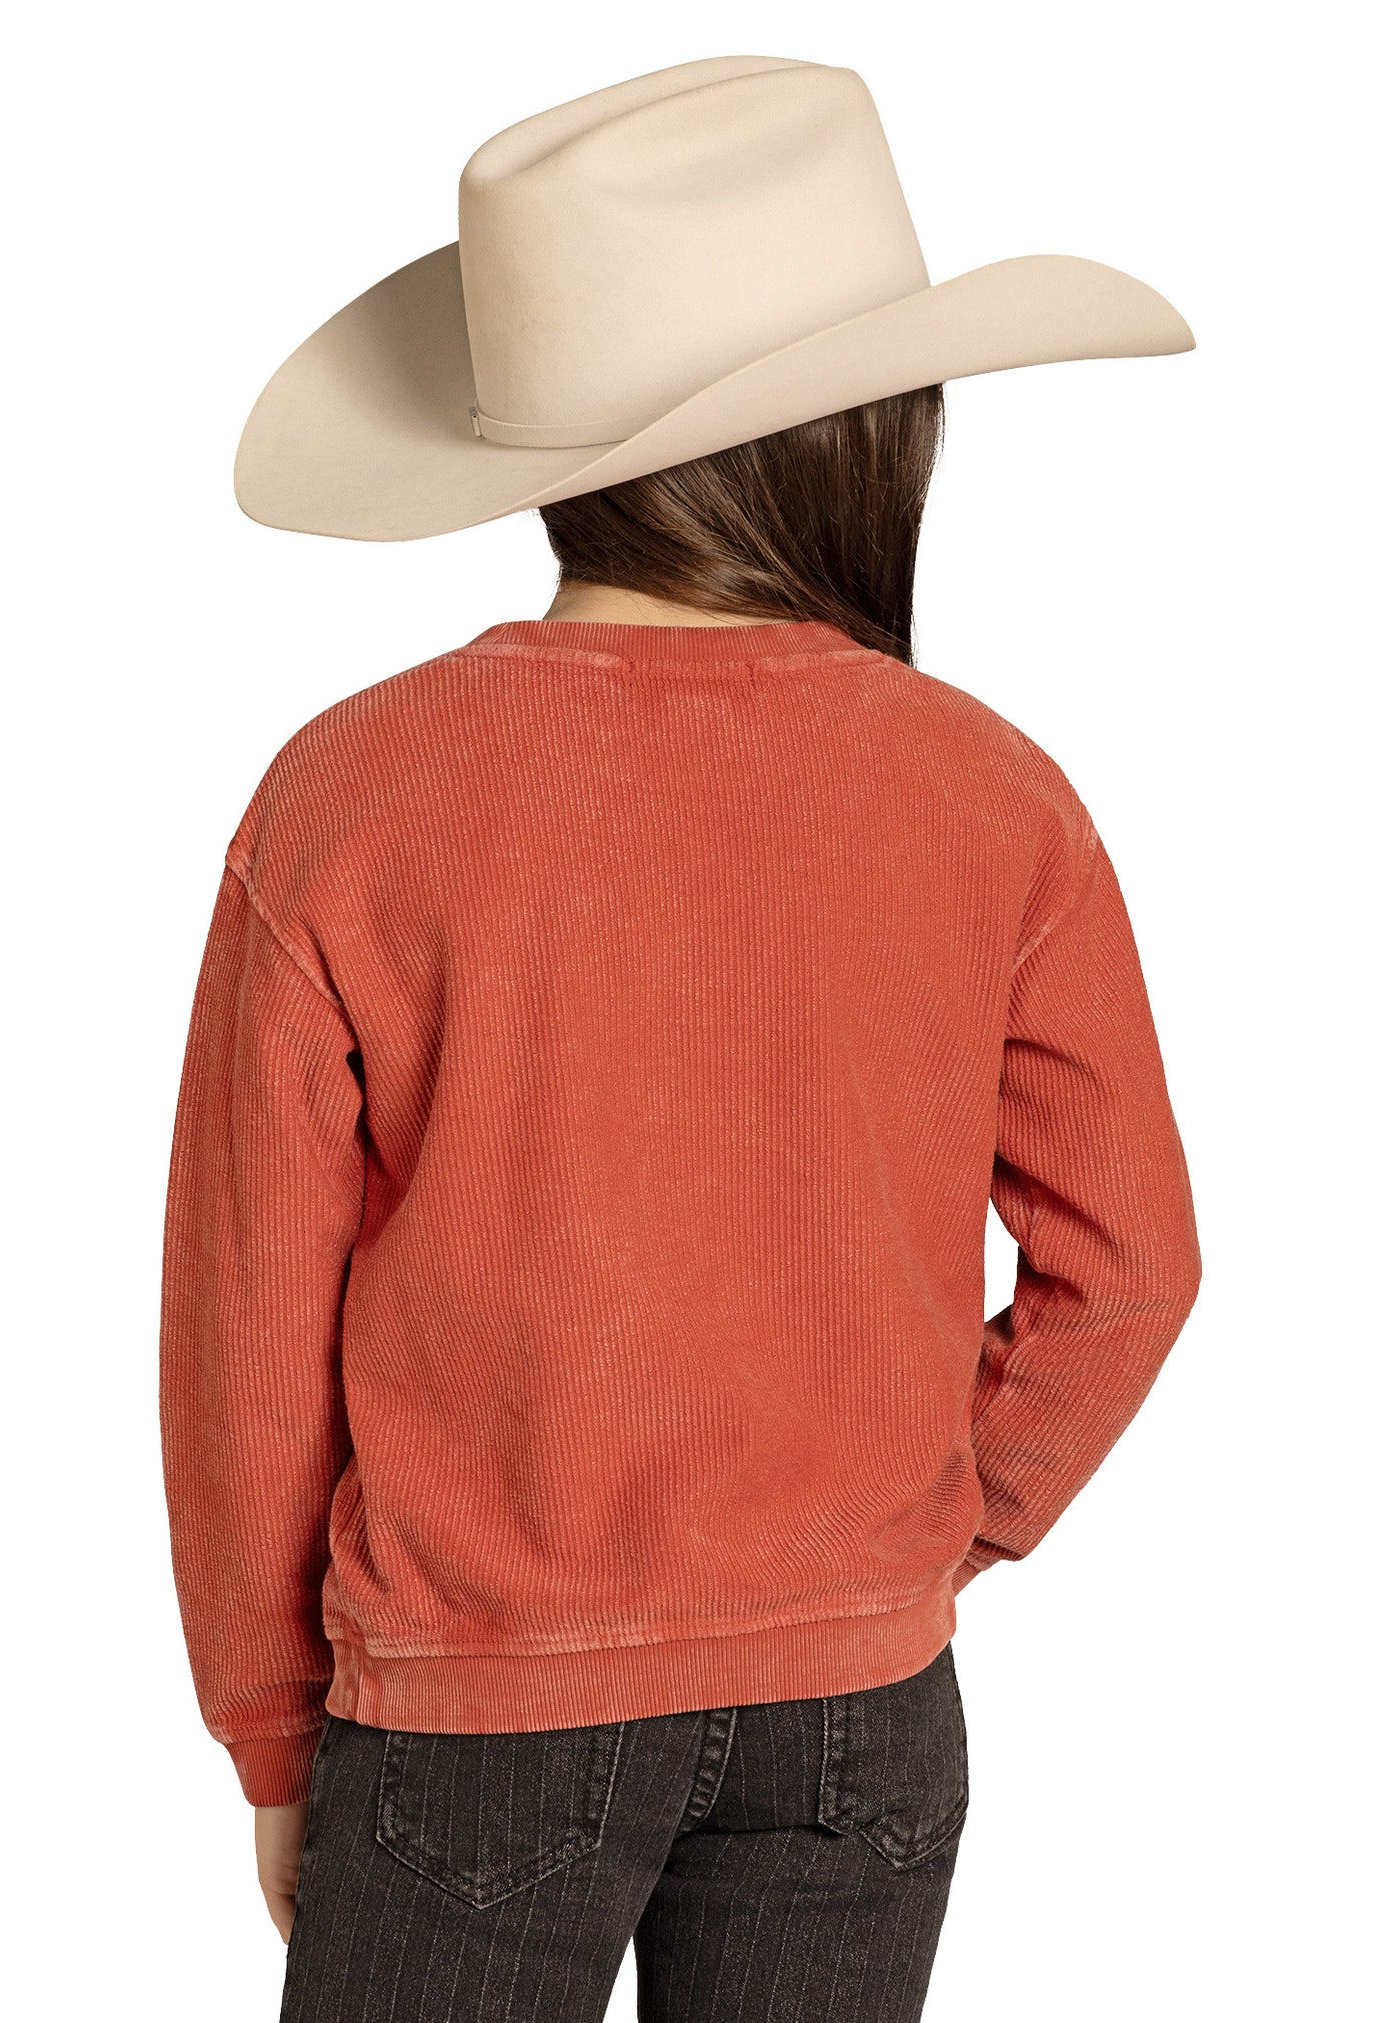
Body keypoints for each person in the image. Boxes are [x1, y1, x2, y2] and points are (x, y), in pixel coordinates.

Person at [160, 55, 1203, 2022]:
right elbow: (1129, 1265)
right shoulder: (994, 795)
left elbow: (245, 1340)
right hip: (860, 1714)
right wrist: (926, 1517)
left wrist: (271, 1730)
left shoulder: (351, 800)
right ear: (883, 423)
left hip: (471, 1711)